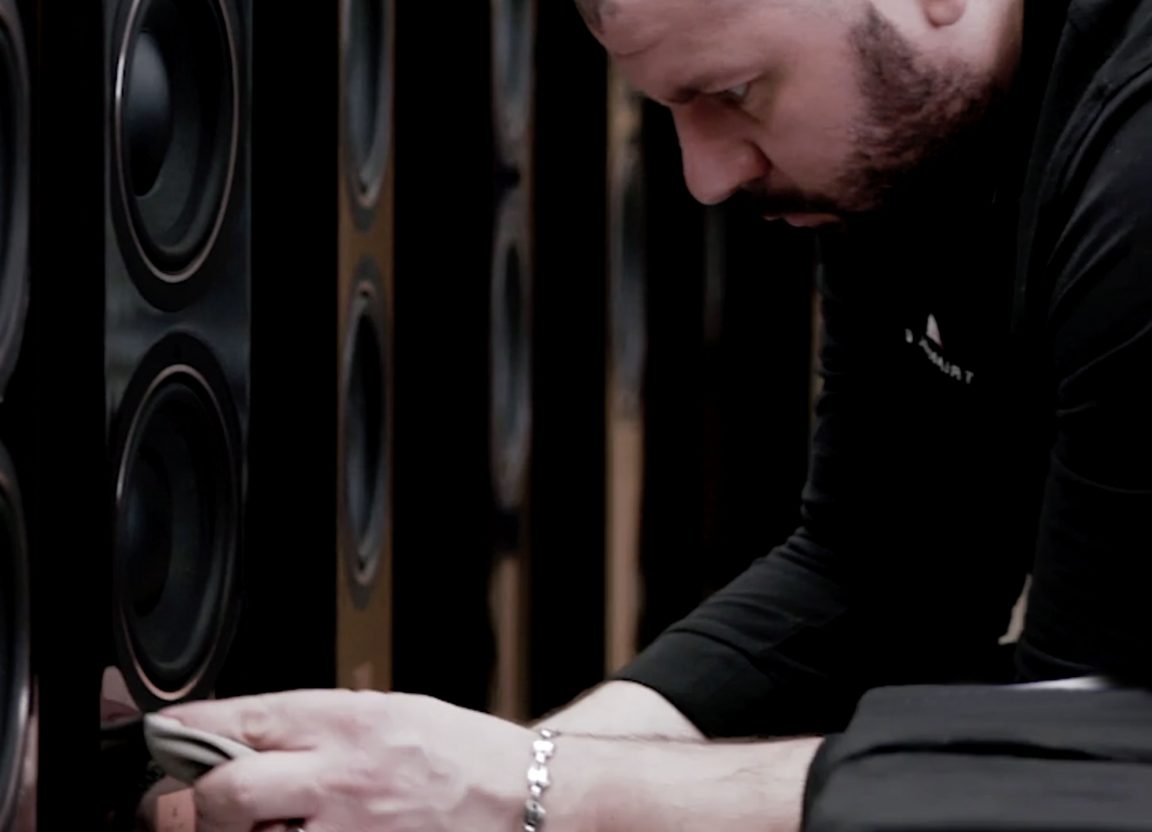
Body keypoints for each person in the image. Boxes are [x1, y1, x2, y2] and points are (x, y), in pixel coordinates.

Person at [155, 0, 1152, 829]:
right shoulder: (905, 149)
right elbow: (882, 564)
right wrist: (482, 764)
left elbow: (1084, 763)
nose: (707, 177)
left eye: (730, 94)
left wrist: (532, 792)